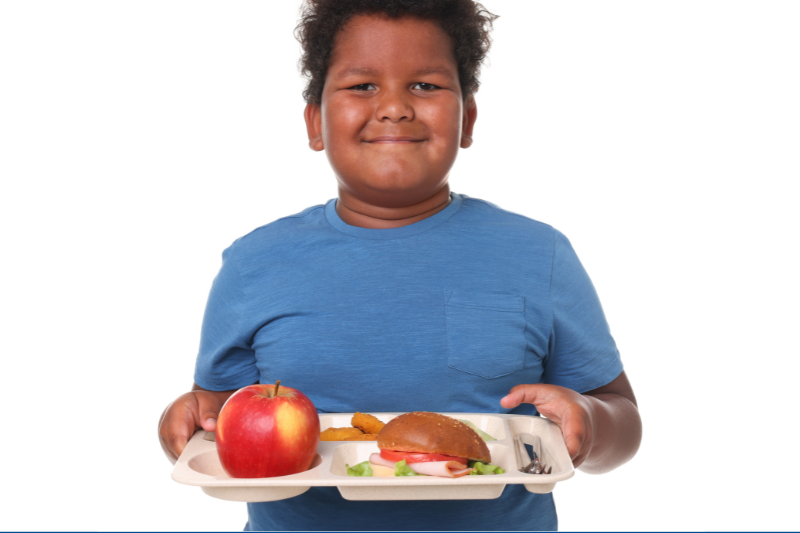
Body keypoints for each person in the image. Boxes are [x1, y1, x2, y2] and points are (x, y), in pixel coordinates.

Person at [158, 0, 643, 530]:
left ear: (468, 119)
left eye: (425, 86)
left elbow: (620, 414)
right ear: (315, 122)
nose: (394, 107)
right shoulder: (254, 264)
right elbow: (219, 414)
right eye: (362, 86)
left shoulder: (537, 253)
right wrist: (185, 417)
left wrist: (592, 423)